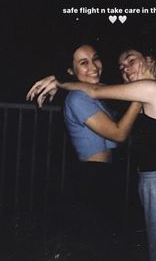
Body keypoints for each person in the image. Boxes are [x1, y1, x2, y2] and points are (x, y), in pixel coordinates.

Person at [28, 45, 156, 261]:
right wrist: (65, 86)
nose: (125, 69)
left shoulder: (152, 89)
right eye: (121, 66)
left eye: (131, 61)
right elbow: (102, 89)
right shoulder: (145, 93)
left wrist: (59, 83)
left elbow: (97, 91)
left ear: (149, 60)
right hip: (152, 185)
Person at [26, 43, 141, 259]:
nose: (94, 66)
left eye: (95, 58)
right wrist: (140, 96)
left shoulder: (90, 95)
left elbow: (109, 90)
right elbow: (118, 134)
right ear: (71, 70)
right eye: (83, 63)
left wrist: (60, 83)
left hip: (102, 175)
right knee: (94, 246)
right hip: (91, 177)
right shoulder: (78, 98)